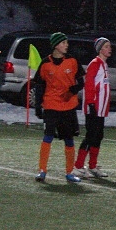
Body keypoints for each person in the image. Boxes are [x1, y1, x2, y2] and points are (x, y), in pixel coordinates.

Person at [33, 32, 84, 183]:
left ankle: (69, 173)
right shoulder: (45, 63)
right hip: (51, 105)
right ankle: (42, 171)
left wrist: (73, 90)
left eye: (66, 43)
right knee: (48, 136)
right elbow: (40, 85)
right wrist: (38, 105)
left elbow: (81, 81)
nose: (66, 45)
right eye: (63, 43)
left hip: (68, 106)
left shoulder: (72, 61)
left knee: (69, 139)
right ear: (55, 45)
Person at [74, 37, 111, 179]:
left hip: (100, 108)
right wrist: (90, 103)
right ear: (100, 49)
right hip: (94, 107)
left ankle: (93, 165)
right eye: (107, 46)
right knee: (91, 136)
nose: (109, 49)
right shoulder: (95, 64)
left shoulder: (104, 64)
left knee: (98, 136)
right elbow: (89, 85)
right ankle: (78, 166)